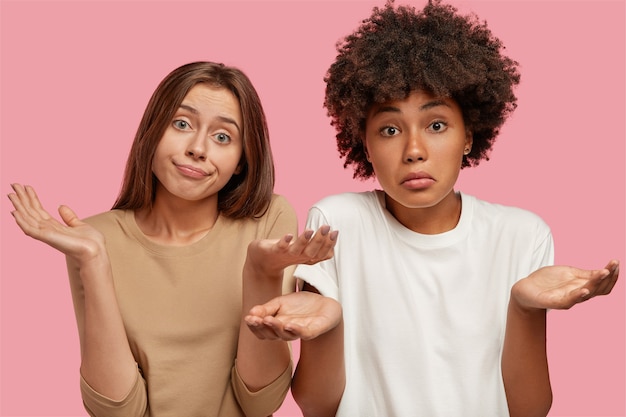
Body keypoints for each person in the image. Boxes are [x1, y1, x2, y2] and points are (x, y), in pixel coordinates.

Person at [243, 2, 620, 417]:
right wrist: (329, 326)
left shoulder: (520, 234)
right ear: (365, 144)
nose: (414, 151)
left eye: (436, 125)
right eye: (389, 130)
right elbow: (318, 405)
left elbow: (528, 411)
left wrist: (524, 309)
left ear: (468, 135)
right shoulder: (338, 223)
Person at [7, 61, 337, 417]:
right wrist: (93, 261)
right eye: (181, 124)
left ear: (242, 160)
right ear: (152, 132)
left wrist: (261, 274)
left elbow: (260, 402)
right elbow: (117, 411)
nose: (198, 148)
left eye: (222, 137)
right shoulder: (94, 238)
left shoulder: (269, 218)